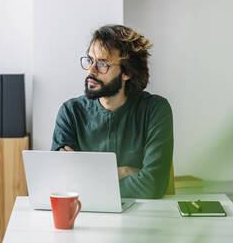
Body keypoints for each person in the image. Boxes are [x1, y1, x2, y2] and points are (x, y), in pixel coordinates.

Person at [51, 25, 173, 199]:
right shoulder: (70, 112)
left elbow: (153, 185)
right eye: (90, 60)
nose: (91, 71)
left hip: (143, 218)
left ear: (127, 72)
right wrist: (123, 171)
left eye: (102, 64)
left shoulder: (155, 110)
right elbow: (62, 183)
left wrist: (87, 179)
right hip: (84, 217)